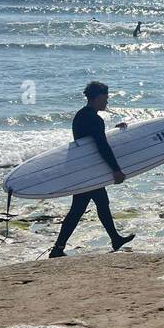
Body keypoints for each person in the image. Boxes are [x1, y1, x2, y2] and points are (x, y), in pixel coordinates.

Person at [49, 82, 135, 257]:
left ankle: (115, 238)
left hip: (84, 169)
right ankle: (57, 249)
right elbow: (101, 146)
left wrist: (115, 133)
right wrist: (116, 170)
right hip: (88, 171)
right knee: (79, 209)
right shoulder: (94, 119)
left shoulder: (82, 115)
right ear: (95, 98)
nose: (106, 102)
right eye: (104, 99)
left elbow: (92, 140)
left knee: (100, 204)